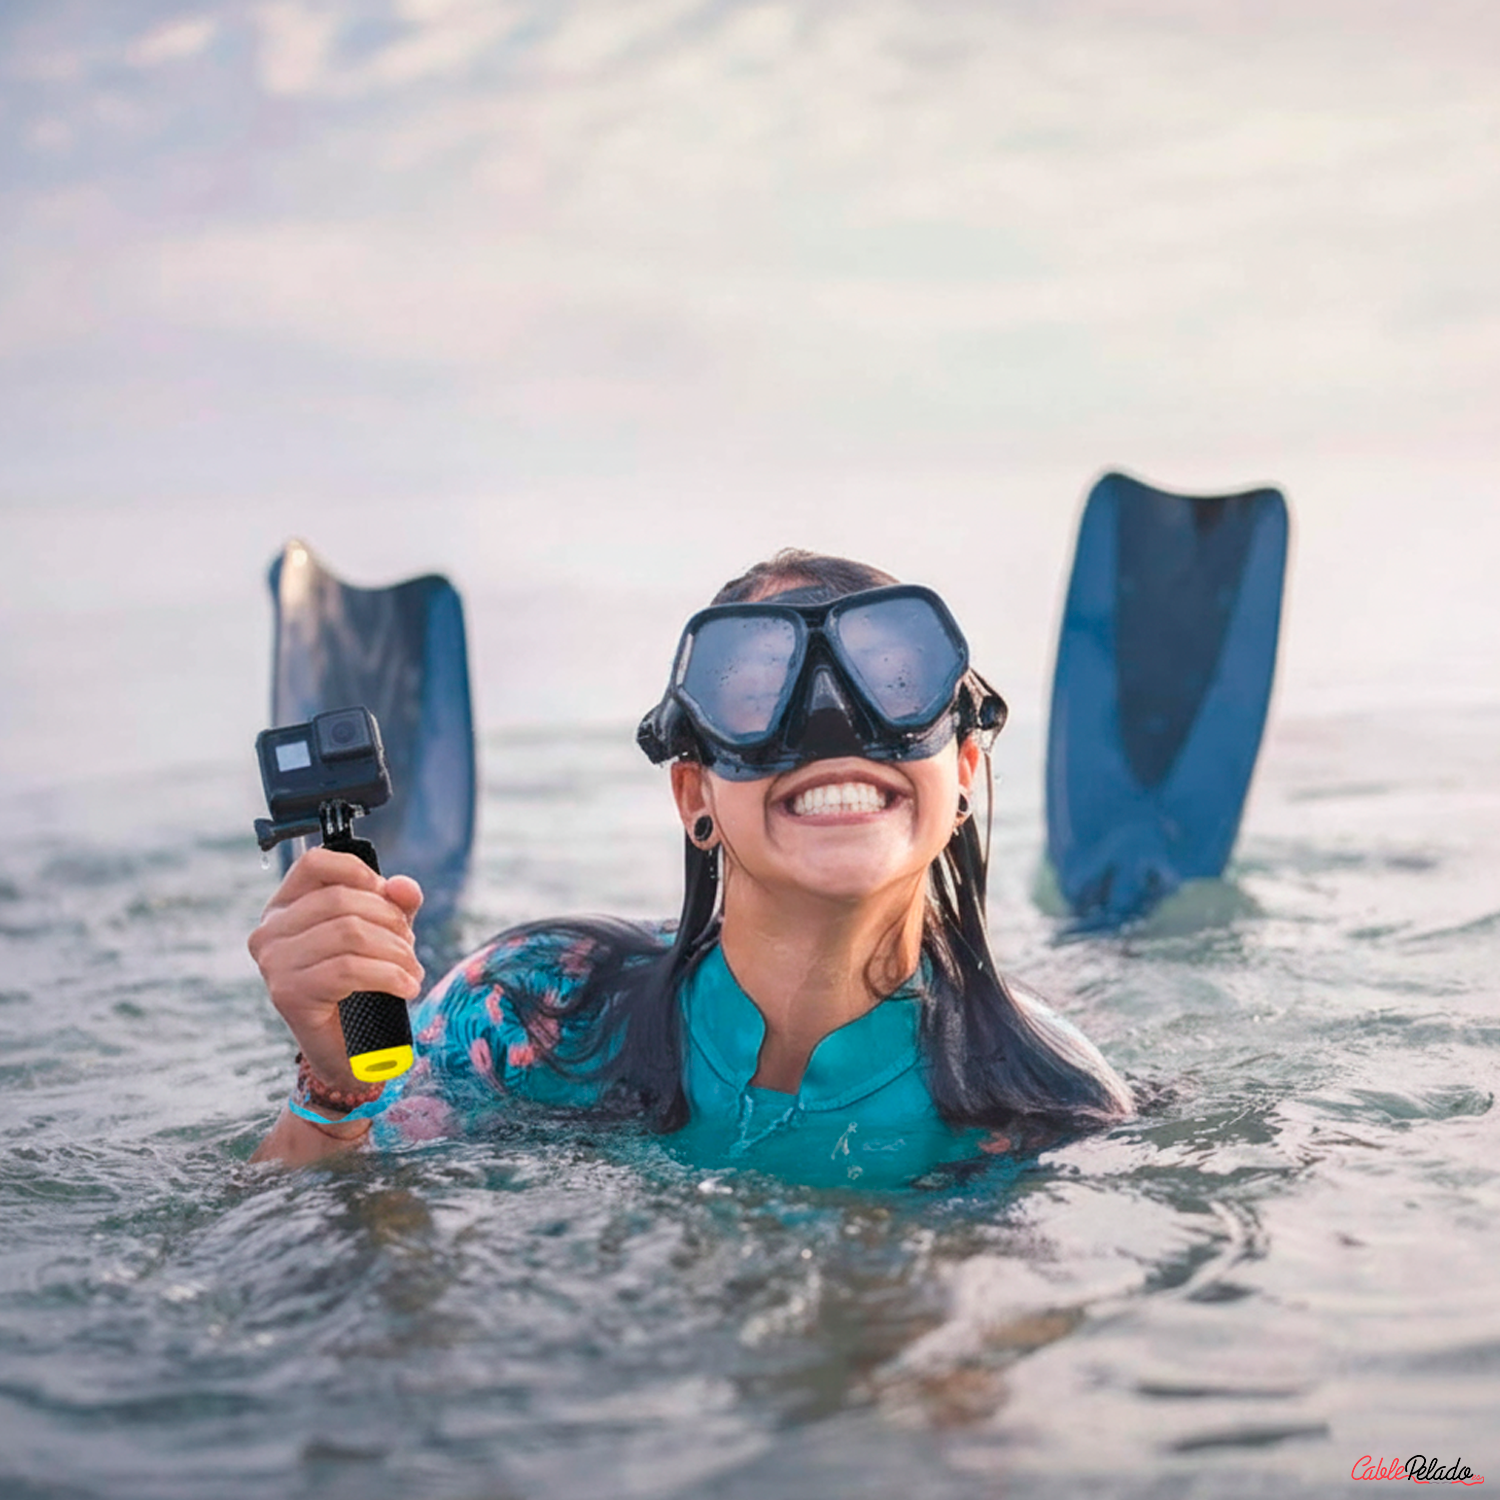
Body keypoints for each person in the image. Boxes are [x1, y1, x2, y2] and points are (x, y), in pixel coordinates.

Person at [248, 550, 1133, 1180]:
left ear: (965, 772)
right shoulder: (531, 1013)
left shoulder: (1046, 1100)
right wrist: (340, 1085)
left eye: (893, 679)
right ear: (692, 795)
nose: (834, 727)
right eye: (756, 690)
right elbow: (310, 1277)